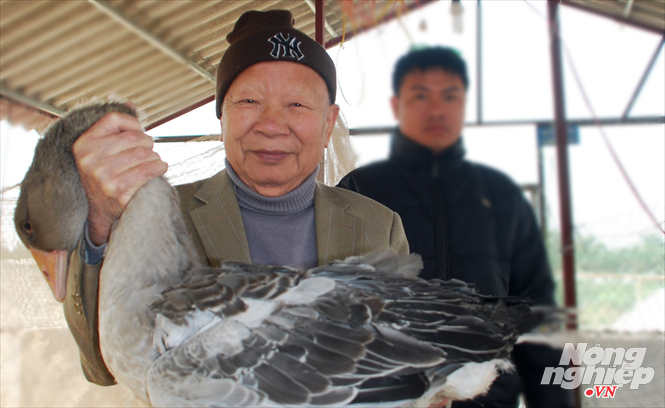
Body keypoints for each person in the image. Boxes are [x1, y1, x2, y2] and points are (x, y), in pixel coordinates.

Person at [63, 10, 408, 386]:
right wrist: (97, 226)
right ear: (221, 116)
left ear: (328, 123)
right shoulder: (155, 218)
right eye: (248, 102)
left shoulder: (379, 226)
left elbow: (399, 358)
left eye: (296, 104)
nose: (272, 125)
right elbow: (101, 364)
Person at [337, 47, 574, 408]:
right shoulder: (358, 191)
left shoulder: (501, 196)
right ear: (397, 105)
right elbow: (335, 310)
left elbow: (538, 313)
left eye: (450, 97)